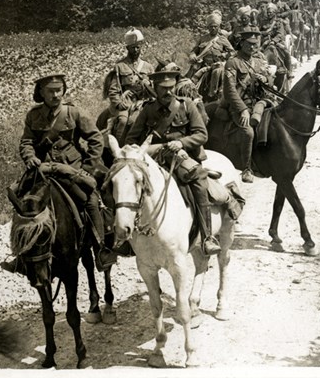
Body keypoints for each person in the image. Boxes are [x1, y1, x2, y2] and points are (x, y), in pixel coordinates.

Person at [2, 74, 118, 273]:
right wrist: (29, 157)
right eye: (51, 91)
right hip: (42, 171)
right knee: (21, 200)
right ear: (41, 93)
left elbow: (96, 139)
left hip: (71, 170)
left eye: (59, 90)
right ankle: (21, 254)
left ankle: (100, 248)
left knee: (90, 200)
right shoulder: (33, 116)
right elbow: (27, 141)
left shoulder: (74, 113)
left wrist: (87, 168)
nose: (56, 95)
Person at [125, 66, 222, 255]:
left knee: (199, 179)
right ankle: (123, 237)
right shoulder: (148, 110)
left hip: (183, 159)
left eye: (171, 87)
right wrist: (149, 150)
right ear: (155, 88)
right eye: (163, 88)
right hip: (155, 160)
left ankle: (207, 236)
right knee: (124, 184)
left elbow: (202, 135)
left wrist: (182, 142)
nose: (168, 91)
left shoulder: (186, 106)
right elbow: (131, 140)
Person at [219, 26, 275, 183]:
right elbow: (229, 90)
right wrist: (242, 109)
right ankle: (246, 168)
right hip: (240, 105)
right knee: (248, 132)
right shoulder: (233, 63)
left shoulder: (258, 62)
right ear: (241, 43)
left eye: (255, 44)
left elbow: (270, 81)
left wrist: (265, 80)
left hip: (260, 103)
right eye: (249, 44)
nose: (252, 47)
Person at [103, 28, 155, 144]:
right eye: (133, 48)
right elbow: (113, 89)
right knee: (123, 120)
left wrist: (148, 86)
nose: (136, 50)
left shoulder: (148, 67)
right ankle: (119, 147)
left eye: (138, 47)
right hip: (127, 101)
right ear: (127, 48)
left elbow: (154, 88)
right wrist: (119, 103)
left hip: (144, 101)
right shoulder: (120, 66)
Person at [188, 11, 235, 103]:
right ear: (208, 27)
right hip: (203, 65)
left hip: (217, 65)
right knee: (190, 79)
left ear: (218, 27)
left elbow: (232, 52)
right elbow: (194, 51)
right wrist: (193, 56)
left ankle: (214, 94)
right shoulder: (203, 38)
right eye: (211, 26)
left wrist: (224, 55)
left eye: (215, 26)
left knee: (217, 72)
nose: (213, 28)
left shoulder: (222, 39)